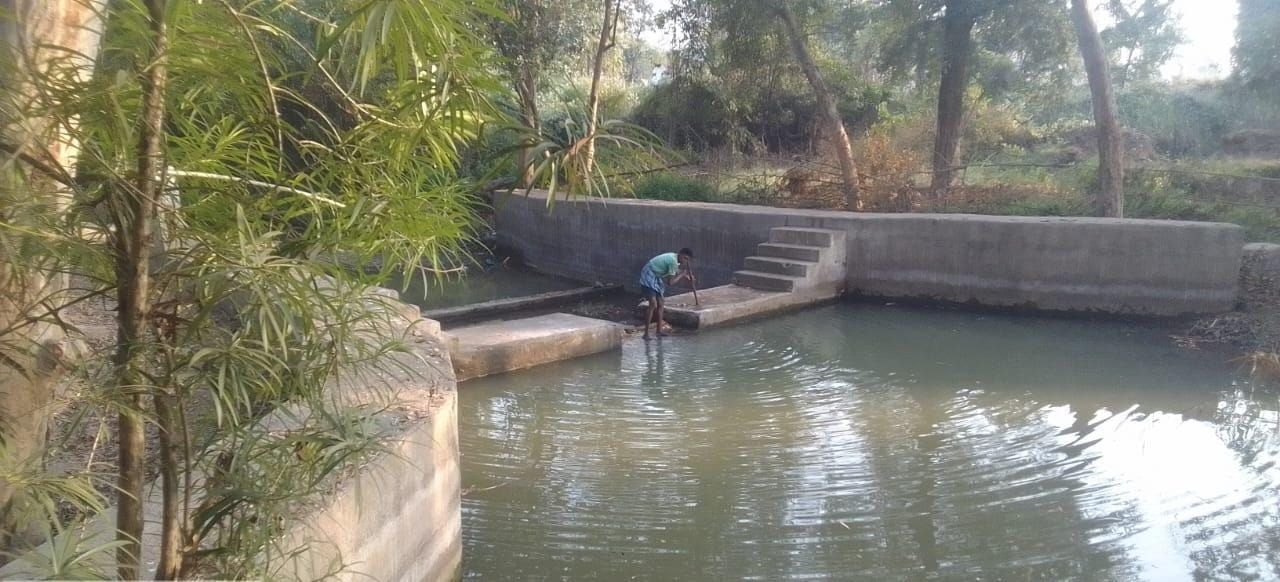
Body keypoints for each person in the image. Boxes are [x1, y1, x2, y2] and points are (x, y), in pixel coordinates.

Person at [639, 248, 695, 339]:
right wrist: (682, 275)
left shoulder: (675, 258)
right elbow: (670, 282)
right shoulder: (673, 261)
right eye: (685, 258)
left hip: (656, 276)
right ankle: (646, 334)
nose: (685, 261)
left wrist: (686, 275)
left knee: (661, 303)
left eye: (687, 260)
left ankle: (659, 331)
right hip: (649, 274)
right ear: (680, 254)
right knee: (653, 304)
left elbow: (674, 270)